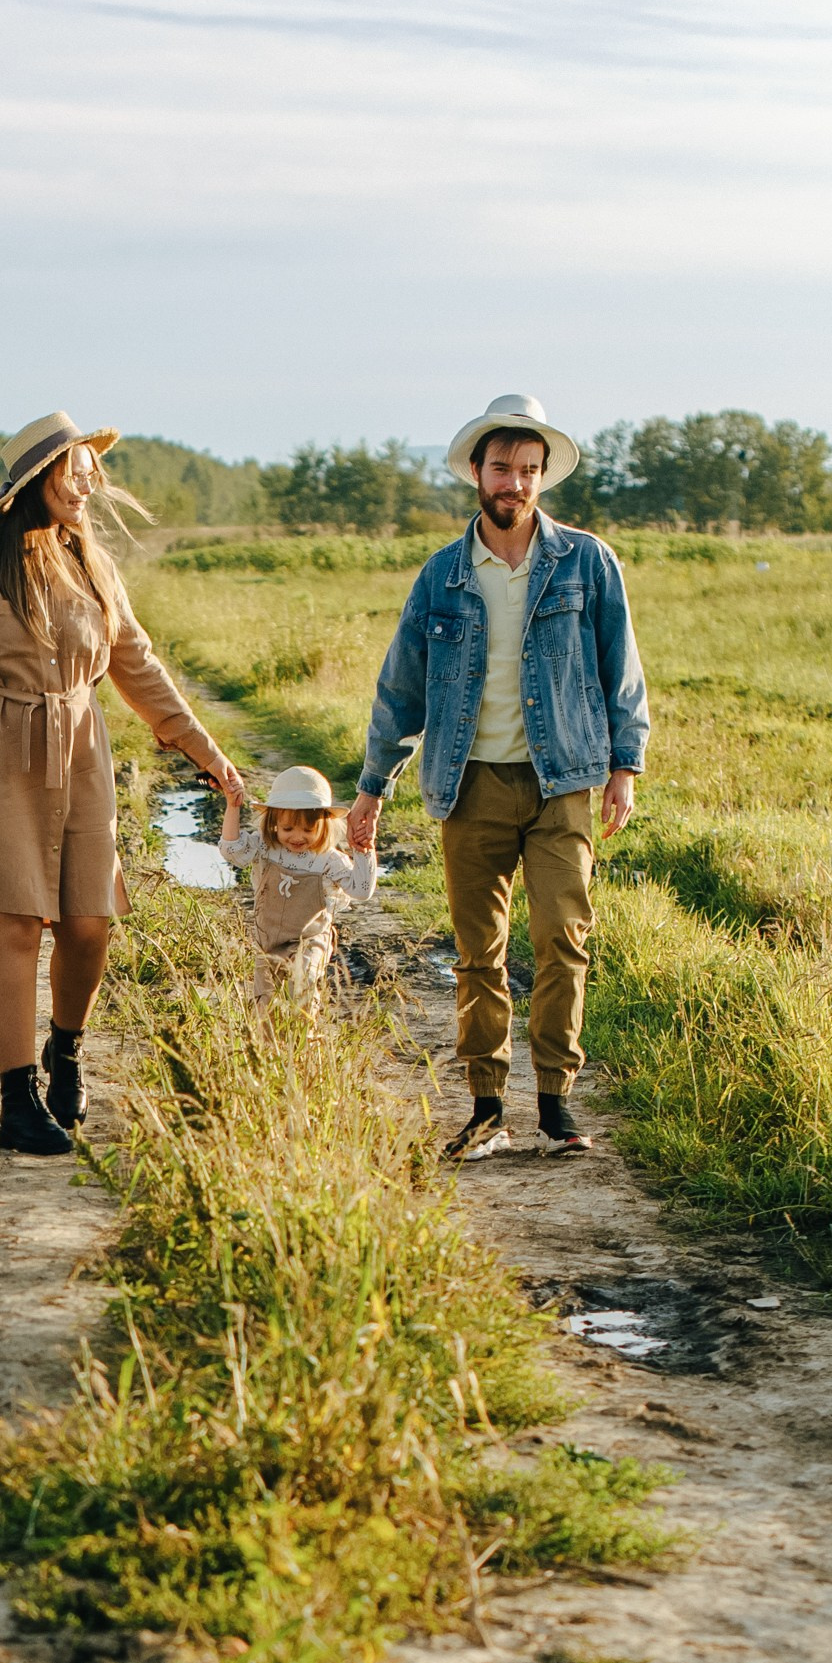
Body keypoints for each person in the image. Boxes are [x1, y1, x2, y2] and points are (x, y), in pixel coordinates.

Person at [0, 411, 241, 1154]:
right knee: (17, 924)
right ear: (34, 482)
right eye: (75, 472)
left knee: (89, 923)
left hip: (80, 752)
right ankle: (17, 1101)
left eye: (92, 473)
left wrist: (206, 752)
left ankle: (67, 1050)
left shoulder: (94, 561)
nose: (89, 485)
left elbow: (137, 666)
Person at [344, 391, 648, 1161]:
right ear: (476, 473)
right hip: (468, 784)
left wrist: (625, 765)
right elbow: (400, 689)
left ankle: (555, 1106)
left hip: (565, 781)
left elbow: (623, 669)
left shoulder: (586, 560)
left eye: (529, 471)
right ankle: (486, 1108)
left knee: (562, 942)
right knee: (479, 954)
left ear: (543, 479)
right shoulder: (442, 575)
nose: (514, 482)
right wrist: (372, 787)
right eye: (502, 468)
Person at [216, 766, 378, 1011]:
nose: (297, 837)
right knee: (264, 1008)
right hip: (267, 941)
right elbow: (230, 849)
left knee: (301, 986)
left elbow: (361, 890)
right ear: (273, 824)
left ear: (323, 826)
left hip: (309, 940)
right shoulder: (265, 848)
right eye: (288, 829)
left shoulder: (327, 859)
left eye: (308, 830)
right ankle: (270, 1049)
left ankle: (307, 1044)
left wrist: (364, 850)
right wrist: (233, 805)